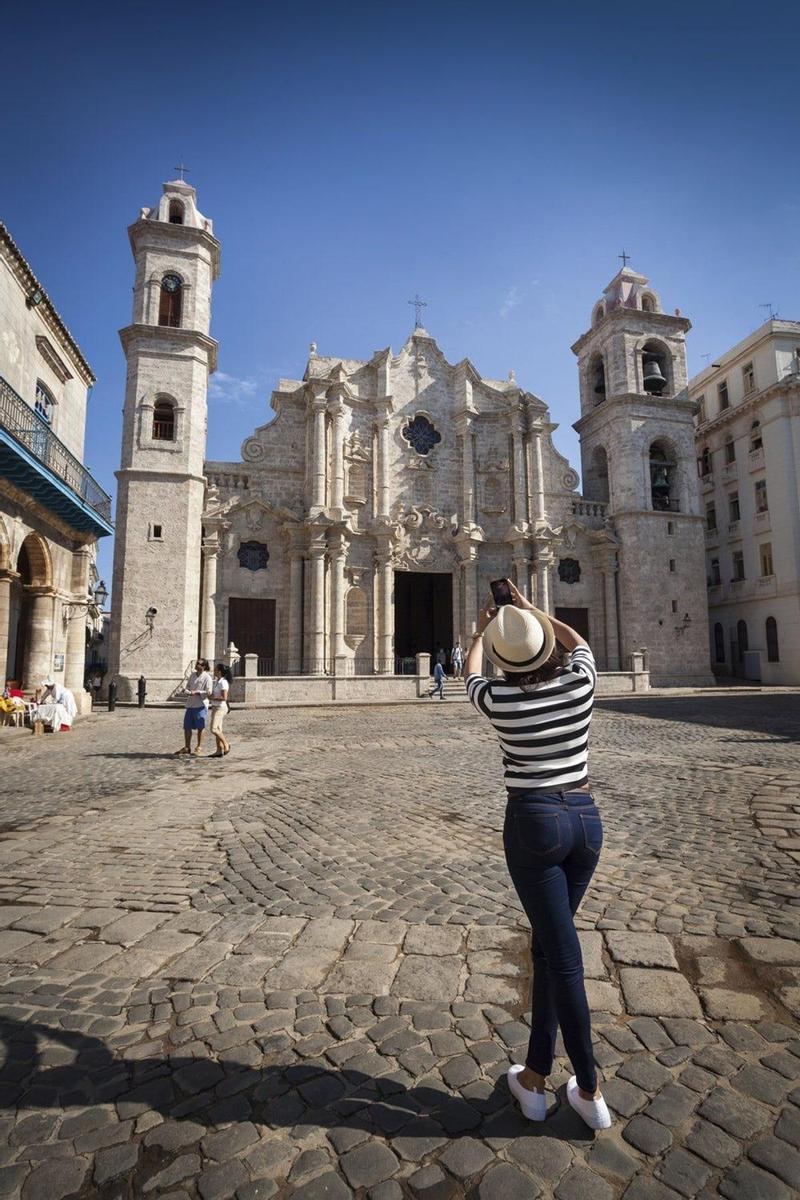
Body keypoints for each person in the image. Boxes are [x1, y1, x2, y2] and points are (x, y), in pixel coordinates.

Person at [464, 578, 612, 1131]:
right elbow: (578, 643)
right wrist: (529, 611)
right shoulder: (580, 685)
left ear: (506, 661)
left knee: (564, 958)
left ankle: (591, 1089)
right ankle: (534, 1075)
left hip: (534, 824)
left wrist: (486, 628)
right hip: (586, 822)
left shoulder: (500, 702)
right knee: (550, 949)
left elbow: (470, 673)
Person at [175, 658, 212, 756]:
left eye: (199, 664)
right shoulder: (192, 675)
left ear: (204, 666)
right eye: (196, 663)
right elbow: (188, 687)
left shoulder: (207, 677)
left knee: (200, 727)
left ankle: (199, 747)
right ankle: (187, 747)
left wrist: (197, 692)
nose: (197, 665)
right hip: (190, 704)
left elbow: (209, 692)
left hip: (200, 705)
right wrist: (186, 691)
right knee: (187, 727)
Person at [208, 663, 231, 758]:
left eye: (216, 669)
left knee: (213, 729)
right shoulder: (217, 681)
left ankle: (226, 744)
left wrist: (212, 697)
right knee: (218, 729)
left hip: (220, 708)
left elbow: (224, 697)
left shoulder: (223, 682)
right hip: (215, 706)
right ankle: (219, 750)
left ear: (219, 671)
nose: (214, 671)